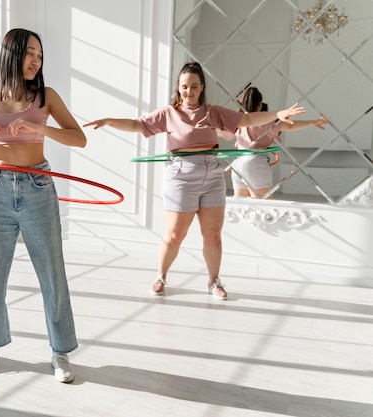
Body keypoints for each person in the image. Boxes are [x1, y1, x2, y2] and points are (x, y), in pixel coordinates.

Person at [84, 62, 305, 299]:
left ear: (202, 88)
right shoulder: (168, 113)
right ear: (178, 88)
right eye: (184, 87)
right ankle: (161, 275)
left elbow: (247, 120)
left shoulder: (214, 112)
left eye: (194, 87)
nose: (188, 92)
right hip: (181, 175)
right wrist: (108, 121)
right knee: (175, 234)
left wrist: (277, 115)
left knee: (213, 234)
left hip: (212, 173)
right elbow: (137, 124)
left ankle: (214, 281)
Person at [0, 28, 86, 383]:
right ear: (12, 53)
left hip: (38, 187)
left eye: (39, 55)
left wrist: (42, 129)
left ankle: (60, 353)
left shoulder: (47, 96)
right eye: (30, 53)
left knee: (52, 274)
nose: (36, 61)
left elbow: (79, 138)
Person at [225, 86, 328, 198]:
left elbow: (236, 142)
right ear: (259, 105)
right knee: (262, 204)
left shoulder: (238, 121)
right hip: (254, 162)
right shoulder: (263, 120)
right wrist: (314, 122)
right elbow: (290, 126)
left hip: (238, 162)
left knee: (241, 203)